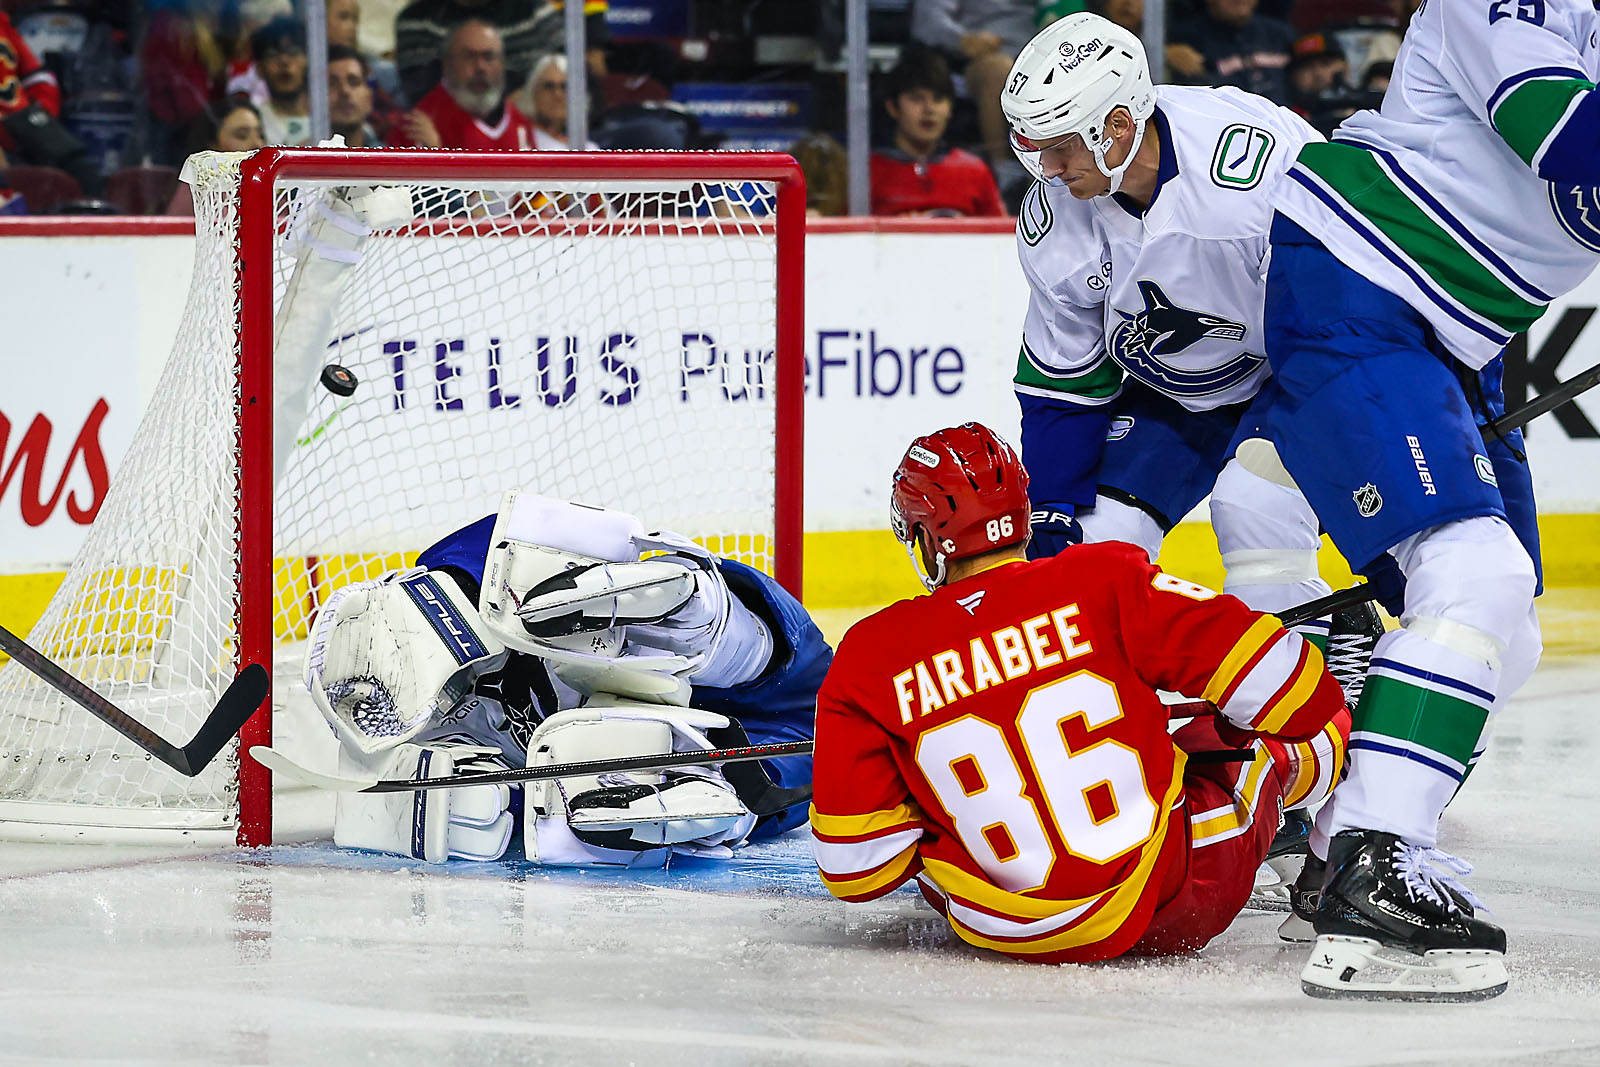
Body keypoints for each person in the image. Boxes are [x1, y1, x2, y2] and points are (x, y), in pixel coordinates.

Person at [1251, 0, 1575, 1003]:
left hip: (1450, 337)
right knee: (1473, 574)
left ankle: (1335, 844)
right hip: (1356, 288)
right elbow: (1569, 136)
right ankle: (1371, 864)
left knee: (1502, 630)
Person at [811, 423, 1350, 963]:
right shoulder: (1104, 577)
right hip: (1170, 902)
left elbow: (857, 872)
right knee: (1293, 732)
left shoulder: (867, 654)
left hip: (995, 929)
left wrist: (920, 782)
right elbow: (1301, 691)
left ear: (929, 539)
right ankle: (1334, 865)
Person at [311, 493, 828, 867]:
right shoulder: (420, 747)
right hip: (778, 745)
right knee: (666, 787)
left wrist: (470, 586)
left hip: (792, 685)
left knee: (682, 627)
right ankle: (719, 792)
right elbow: (518, 811)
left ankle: (714, 625)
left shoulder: (466, 575)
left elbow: (502, 546)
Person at [395, 0, 609, 109]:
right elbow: (420, 93)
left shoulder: (533, 10)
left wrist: (526, 101)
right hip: (447, 134)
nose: (480, 66)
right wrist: (505, 105)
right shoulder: (418, 18)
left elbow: (573, 76)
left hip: (532, 130)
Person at [870, 48, 1005, 218]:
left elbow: (1001, 236)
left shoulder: (975, 171)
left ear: (950, 109)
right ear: (893, 107)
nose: (929, 109)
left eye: (938, 99)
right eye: (917, 98)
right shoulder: (867, 171)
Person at [391, 20, 535, 151]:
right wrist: (437, 157)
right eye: (469, 56)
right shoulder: (419, 124)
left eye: (488, 56)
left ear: (503, 63)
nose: (480, 67)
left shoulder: (520, 123)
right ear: (447, 62)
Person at [1169, 0, 1296, 106]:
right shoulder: (1185, 38)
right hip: (1219, 125)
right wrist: (1165, 55)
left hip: (1280, 125)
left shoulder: (1281, 35)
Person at [166, 99, 267, 215]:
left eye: (260, 135)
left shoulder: (271, 188)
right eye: (242, 136)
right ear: (212, 145)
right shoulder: (194, 192)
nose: (258, 144)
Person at [252, 17, 312, 146]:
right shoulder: (254, 123)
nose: (284, 61)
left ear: (308, 61)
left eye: (293, 52)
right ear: (259, 68)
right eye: (272, 54)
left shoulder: (329, 119)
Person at [327, 45, 385, 147]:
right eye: (332, 84)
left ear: (369, 97)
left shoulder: (388, 160)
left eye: (354, 82)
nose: (345, 91)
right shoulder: (297, 159)